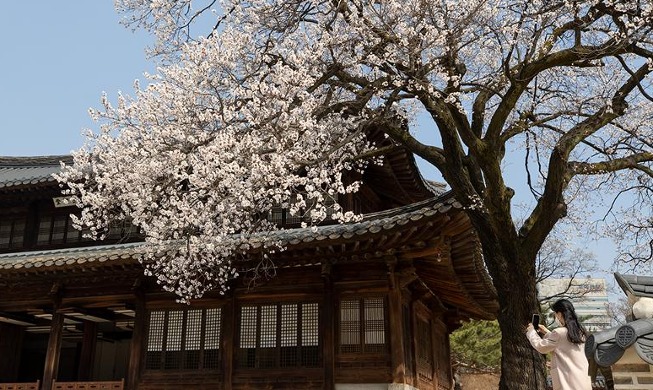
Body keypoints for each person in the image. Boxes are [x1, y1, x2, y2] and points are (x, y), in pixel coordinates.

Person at [525, 299, 592, 390]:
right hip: (583, 382)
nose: (555, 316)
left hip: (567, 383)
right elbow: (563, 343)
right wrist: (547, 332)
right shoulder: (581, 333)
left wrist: (531, 332)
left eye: (555, 314)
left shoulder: (559, 333)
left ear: (559, 314)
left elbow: (541, 346)